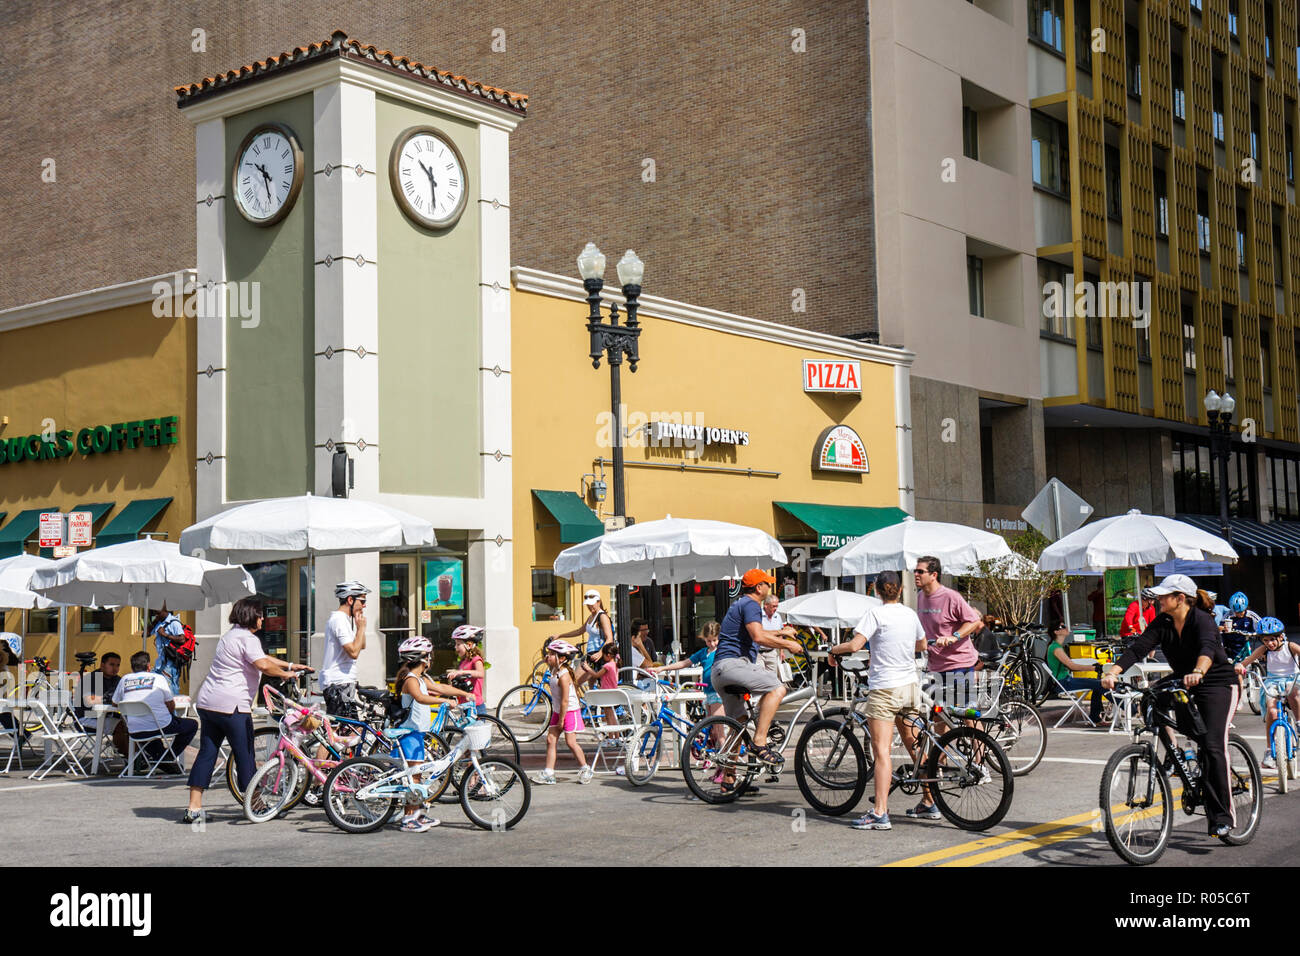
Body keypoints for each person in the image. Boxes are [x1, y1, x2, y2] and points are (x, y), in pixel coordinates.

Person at [1101, 574, 1241, 840]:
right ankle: (1174, 753)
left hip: (1216, 681)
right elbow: (1140, 647)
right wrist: (1115, 671)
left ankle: (1222, 817)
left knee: (1212, 746)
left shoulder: (1202, 620)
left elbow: (1208, 649)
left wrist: (1199, 670)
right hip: (1184, 681)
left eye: (1164, 595)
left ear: (1180, 599)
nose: (1159, 599)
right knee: (1150, 698)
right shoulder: (1163, 621)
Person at [183, 598, 310, 824]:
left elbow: (261, 658)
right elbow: (261, 665)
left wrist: (289, 665)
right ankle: (255, 804)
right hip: (232, 705)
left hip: (208, 703)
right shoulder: (248, 638)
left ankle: (194, 808)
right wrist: (286, 675)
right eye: (261, 615)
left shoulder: (230, 635)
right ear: (252, 615)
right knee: (245, 755)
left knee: (206, 753)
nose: (263, 619)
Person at [827, 570, 926, 831]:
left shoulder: (875, 614)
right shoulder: (910, 614)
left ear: (875, 590)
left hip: (884, 689)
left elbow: (855, 645)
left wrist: (832, 650)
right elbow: (922, 644)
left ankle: (880, 812)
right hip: (909, 686)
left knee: (881, 752)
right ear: (900, 591)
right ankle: (929, 801)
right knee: (914, 745)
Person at [711, 569, 804, 779]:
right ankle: (760, 742)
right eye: (767, 584)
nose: (770, 587)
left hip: (721, 671)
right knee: (777, 687)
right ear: (758, 587)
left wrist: (781, 632)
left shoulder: (740, 604)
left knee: (739, 725)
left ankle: (728, 778)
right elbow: (758, 637)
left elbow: (755, 634)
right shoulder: (752, 604)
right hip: (734, 665)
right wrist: (788, 644)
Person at [391, 635, 463, 832]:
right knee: (413, 778)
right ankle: (408, 820)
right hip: (409, 735)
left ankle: (417, 814)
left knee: (417, 776)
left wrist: (464, 695)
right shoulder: (410, 680)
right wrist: (444, 701)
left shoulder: (420, 678)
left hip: (417, 734)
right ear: (423, 658)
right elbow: (421, 698)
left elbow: (440, 687)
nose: (431, 660)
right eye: (429, 656)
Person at [914, 555, 983, 719]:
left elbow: (974, 621)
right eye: (914, 571)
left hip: (958, 665)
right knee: (939, 716)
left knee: (966, 715)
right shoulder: (920, 597)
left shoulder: (951, 597)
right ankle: (943, 745)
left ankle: (981, 744)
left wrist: (954, 636)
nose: (916, 574)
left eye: (920, 571)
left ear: (934, 575)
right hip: (936, 667)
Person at [113, 651, 198, 773]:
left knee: (149, 732)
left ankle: (163, 759)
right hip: (160, 726)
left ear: (132, 667)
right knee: (192, 725)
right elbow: (170, 704)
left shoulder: (124, 679)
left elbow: (115, 703)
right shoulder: (158, 678)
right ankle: (168, 757)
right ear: (148, 666)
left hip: (135, 730)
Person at [1234, 616, 1299, 771]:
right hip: (1272, 681)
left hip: (1292, 678)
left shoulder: (1290, 646)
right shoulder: (1263, 650)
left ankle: (1298, 722)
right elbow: (1246, 661)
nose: (1269, 643)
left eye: (1272, 639)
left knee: (1294, 693)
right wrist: (1240, 666)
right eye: (1265, 640)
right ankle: (1270, 750)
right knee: (1272, 710)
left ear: (1281, 636)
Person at [530, 640, 593, 785]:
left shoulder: (564, 676)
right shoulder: (554, 670)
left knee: (571, 742)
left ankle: (585, 768)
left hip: (569, 711)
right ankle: (549, 773)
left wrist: (561, 720)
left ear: (562, 658)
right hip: (559, 711)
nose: (548, 656)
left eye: (552, 654)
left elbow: (565, 700)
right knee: (550, 740)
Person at [320, 580, 370, 720]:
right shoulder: (339, 620)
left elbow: (362, 645)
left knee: (349, 731)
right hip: (337, 683)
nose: (364, 605)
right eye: (362, 601)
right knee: (339, 733)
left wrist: (361, 628)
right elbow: (354, 652)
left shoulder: (346, 620)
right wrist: (360, 628)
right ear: (350, 599)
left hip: (344, 683)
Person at [1045, 620, 1107, 724]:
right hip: (1063, 683)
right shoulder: (1056, 648)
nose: (1066, 627)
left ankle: (1095, 717)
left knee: (1098, 683)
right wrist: (1093, 668)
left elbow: (1069, 664)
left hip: (1065, 680)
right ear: (1056, 632)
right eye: (1062, 626)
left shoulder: (1057, 646)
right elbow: (1072, 666)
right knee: (1100, 684)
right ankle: (1127, 708)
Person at [76, 652, 128, 756]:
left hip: (108, 716)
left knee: (136, 723)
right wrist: (108, 698)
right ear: (102, 665)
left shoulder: (118, 680)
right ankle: (128, 756)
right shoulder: (91, 678)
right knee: (121, 726)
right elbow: (89, 701)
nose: (115, 668)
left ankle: (139, 754)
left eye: (118, 665)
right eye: (112, 664)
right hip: (87, 718)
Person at [555, 589, 613, 659]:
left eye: (591, 604)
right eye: (588, 604)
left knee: (578, 669)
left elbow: (609, 638)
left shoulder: (603, 616)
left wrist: (600, 653)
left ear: (599, 602)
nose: (589, 606)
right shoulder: (591, 616)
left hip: (599, 655)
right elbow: (579, 631)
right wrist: (560, 635)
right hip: (591, 653)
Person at [445, 624, 487, 714]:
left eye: (458, 644)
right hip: (464, 705)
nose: (455, 647)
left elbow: (480, 673)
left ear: (469, 645)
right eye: (455, 644)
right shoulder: (464, 661)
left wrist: (461, 672)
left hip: (476, 706)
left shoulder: (476, 659)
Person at [757, 594, 798, 676]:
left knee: (772, 678)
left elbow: (780, 634)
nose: (775, 609)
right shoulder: (757, 615)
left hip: (772, 652)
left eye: (777, 606)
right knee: (760, 677)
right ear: (766, 605)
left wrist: (781, 651)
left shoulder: (777, 616)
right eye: (773, 606)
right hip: (758, 653)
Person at [148, 605, 185, 695]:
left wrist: (165, 635)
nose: (155, 614)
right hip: (159, 664)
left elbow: (182, 639)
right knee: (154, 690)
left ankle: (174, 709)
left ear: (164, 610)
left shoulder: (174, 623)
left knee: (170, 692)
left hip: (170, 665)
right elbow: (146, 634)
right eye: (153, 613)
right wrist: (153, 622)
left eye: (157, 612)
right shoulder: (158, 622)